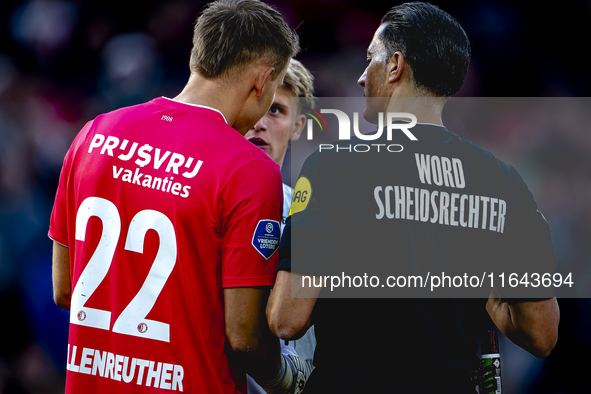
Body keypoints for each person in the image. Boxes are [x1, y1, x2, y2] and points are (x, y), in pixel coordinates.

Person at [266, 2, 560, 393]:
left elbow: (287, 319)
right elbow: (541, 334)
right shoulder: (505, 182)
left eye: (370, 58)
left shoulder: (331, 168)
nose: (359, 77)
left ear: (395, 66)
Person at [49, 1, 311, 393]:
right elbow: (244, 338)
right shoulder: (249, 169)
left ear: (197, 56)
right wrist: (289, 377)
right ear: (263, 80)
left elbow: (65, 290)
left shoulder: (94, 133)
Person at [244, 58, 317, 394]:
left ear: (298, 126)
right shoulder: (197, 200)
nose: (259, 122)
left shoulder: (318, 212)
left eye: (275, 110)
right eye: (254, 105)